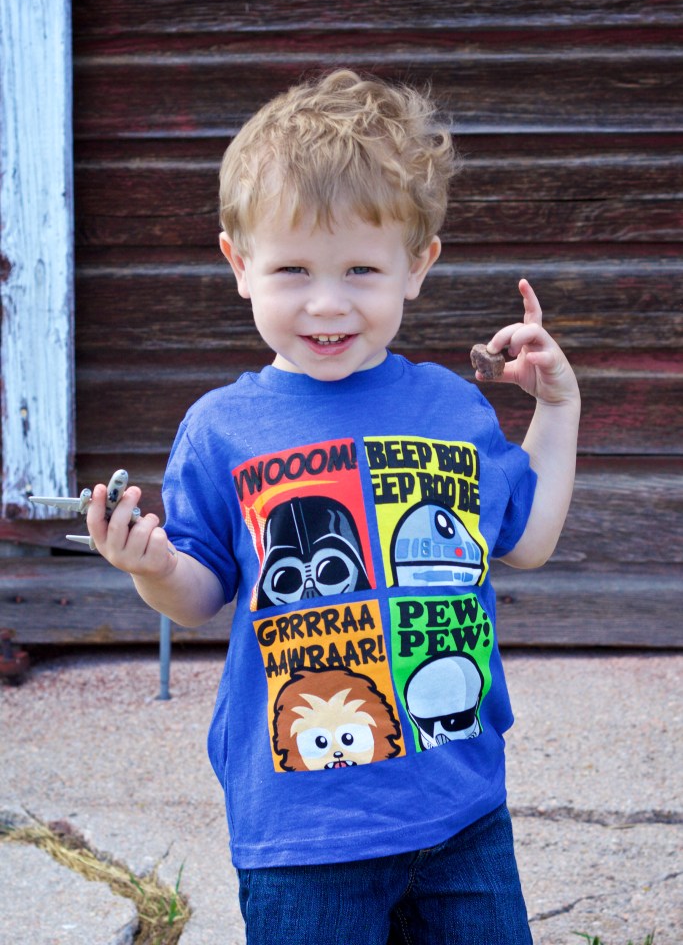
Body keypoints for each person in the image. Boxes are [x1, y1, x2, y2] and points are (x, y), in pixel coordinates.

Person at [86, 69, 580, 944]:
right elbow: (203, 596)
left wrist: (556, 408)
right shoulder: (220, 429)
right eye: (292, 269)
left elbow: (529, 541)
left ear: (416, 266)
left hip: (462, 813)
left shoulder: (450, 410)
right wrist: (153, 566)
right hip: (301, 835)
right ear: (239, 266)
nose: (326, 302)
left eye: (360, 268)